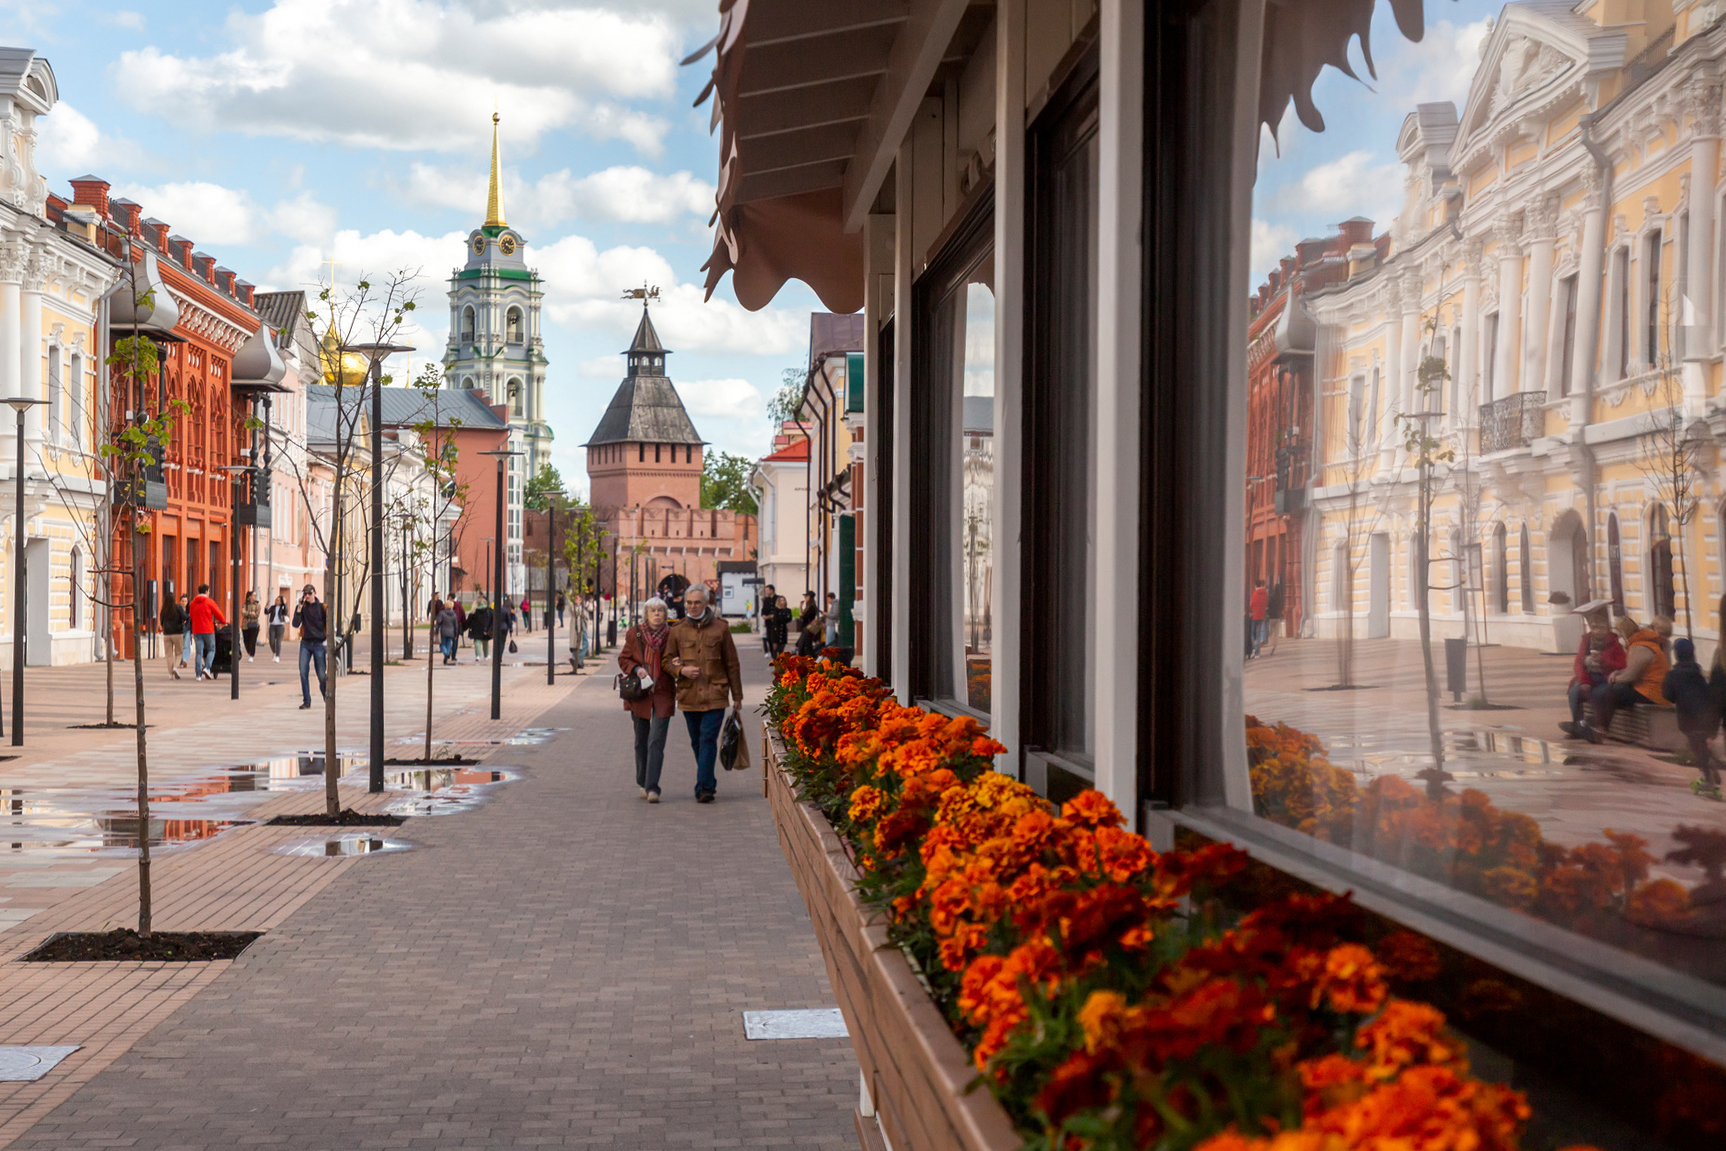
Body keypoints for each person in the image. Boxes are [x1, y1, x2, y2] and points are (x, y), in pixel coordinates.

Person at [665, 584, 743, 804]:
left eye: (697, 602)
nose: (692, 606)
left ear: (706, 603)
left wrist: (737, 697)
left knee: (708, 738)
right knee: (696, 742)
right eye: (689, 603)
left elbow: (732, 664)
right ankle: (708, 779)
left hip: (715, 693)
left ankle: (704, 788)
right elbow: (666, 660)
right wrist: (681, 670)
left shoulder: (721, 629)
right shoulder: (678, 630)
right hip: (689, 695)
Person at [619, 597, 677, 803]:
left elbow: (677, 658)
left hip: (663, 692)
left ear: (665, 613)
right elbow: (624, 658)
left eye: (660, 610)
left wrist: (677, 663)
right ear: (646, 614)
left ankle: (653, 787)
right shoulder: (635, 633)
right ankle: (642, 782)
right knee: (640, 741)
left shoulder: (672, 634)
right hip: (640, 694)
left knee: (656, 741)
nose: (657, 614)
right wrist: (636, 669)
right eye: (653, 611)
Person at [1582, 614, 1673, 742]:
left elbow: (1631, 675)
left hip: (1652, 692)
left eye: (1620, 634)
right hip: (1647, 688)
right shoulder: (1641, 644)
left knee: (1611, 693)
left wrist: (1615, 679)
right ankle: (1594, 725)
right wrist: (1618, 673)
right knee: (1611, 694)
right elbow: (1633, 669)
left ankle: (1597, 727)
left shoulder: (1641, 647)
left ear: (1624, 633)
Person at [1665, 638, 1722, 799]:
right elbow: (1706, 692)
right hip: (1703, 715)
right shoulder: (1697, 673)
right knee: (1702, 744)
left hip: (1686, 718)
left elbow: (1667, 695)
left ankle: (1707, 778)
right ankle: (1708, 764)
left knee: (1697, 749)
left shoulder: (1672, 675)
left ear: (1676, 654)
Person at [1560, 605, 1625, 741]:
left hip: (1605, 678)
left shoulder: (1614, 643)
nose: (1596, 631)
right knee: (1574, 692)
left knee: (1598, 694)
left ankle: (1598, 728)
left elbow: (1622, 665)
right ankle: (1578, 727)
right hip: (1589, 677)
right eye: (1594, 628)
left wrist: (1603, 661)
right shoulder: (1587, 641)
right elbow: (1578, 663)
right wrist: (1584, 681)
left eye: (1600, 628)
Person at [292, 584, 328, 710]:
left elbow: (328, 624)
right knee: (303, 672)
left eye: (309, 593)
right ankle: (306, 700)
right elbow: (295, 624)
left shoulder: (322, 607)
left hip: (318, 643)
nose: (307, 596)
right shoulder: (302, 608)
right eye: (305, 594)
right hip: (305, 643)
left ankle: (325, 694)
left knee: (322, 675)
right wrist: (299, 609)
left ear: (314, 593)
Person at [188, 583, 227, 681]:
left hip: (197, 630)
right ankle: (207, 668)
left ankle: (198, 675)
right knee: (211, 649)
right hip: (208, 629)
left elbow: (191, 616)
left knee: (199, 653)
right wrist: (223, 622)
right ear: (206, 591)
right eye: (209, 591)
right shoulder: (209, 602)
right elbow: (218, 613)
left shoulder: (192, 603)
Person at [159, 591, 186, 681]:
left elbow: (161, 622)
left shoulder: (163, 610)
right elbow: (185, 617)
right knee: (179, 653)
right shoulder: (178, 607)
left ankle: (170, 674)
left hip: (167, 634)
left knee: (169, 655)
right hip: (178, 633)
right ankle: (175, 667)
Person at [765, 594, 792, 659]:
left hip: (783, 630)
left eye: (784, 600)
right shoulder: (776, 610)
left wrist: (783, 618)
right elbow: (776, 620)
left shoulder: (788, 610)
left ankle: (781, 663)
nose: (783, 602)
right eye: (781, 600)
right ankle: (775, 661)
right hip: (776, 630)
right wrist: (783, 618)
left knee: (781, 648)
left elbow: (789, 619)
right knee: (775, 647)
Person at [265, 590, 290, 662]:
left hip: (280, 626)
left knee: (278, 641)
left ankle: (277, 656)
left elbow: (285, 611)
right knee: (271, 641)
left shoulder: (282, 608)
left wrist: (285, 604)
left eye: (278, 600)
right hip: (272, 625)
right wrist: (266, 606)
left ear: (281, 601)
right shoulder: (273, 607)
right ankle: (274, 652)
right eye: (276, 600)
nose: (276, 601)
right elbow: (266, 612)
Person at [794, 591, 821, 657]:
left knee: (805, 646)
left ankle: (810, 659)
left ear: (809, 597)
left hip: (808, 629)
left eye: (806, 596)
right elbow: (802, 616)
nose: (805, 598)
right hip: (806, 628)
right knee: (803, 645)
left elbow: (803, 617)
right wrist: (801, 607)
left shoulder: (811, 607)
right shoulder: (808, 607)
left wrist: (800, 608)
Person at [1248, 580, 1269, 658]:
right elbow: (1266, 603)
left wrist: (1250, 610)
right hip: (1262, 615)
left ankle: (1254, 649)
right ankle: (1258, 653)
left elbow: (1251, 604)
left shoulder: (1255, 593)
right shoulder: (1265, 593)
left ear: (1256, 585)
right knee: (1258, 633)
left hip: (1254, 615)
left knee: (1252, 633)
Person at [241, 591, 261, 663]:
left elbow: (256, 615)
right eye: (253, 595)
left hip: (254, 625)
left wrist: (247, 613)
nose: (255, 596)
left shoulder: (257, 605)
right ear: (249, 597)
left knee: (252, 640)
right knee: (246, 641)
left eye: (256, 595)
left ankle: (251, 655)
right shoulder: (245, 604)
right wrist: (251, 613)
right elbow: (242, 612)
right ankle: (249, 651)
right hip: (245, 625)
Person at [759, 583, 777, 654]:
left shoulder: (777, 599)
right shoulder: (766, 600)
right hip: (768, 622)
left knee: (775, 638)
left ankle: (776, 651)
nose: (766, 592)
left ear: (772, 590)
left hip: (775, 621)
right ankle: (772, 652)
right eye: (766, 590)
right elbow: (763, 610)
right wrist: (763, 615)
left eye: (767, 590)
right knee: (769, 637)